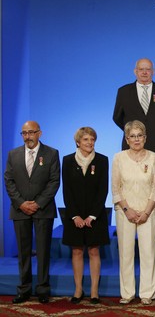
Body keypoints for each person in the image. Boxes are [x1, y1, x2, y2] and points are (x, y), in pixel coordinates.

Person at [112, 58, 155, 235]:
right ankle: (125, 219)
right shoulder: (124, 91)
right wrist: (132, 134)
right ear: (135, 71)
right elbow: (117, 117)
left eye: (148, 69)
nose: (145, 72)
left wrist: (153, 132)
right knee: (126, 181)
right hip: (130, 145)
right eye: (141, 69)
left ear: (153, 71)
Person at [4, 121, 60, 304]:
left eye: (31, 132)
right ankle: (24, 289)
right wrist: (21, 203)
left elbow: (54, 182)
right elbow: (9, 181)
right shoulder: (13, 155)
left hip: (43, 210)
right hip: (20, 210)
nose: (27, 136)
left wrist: (37, 203)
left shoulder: (51, 153)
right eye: (24, 133)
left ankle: (43, 289)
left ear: (39, 133)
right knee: (23, 251)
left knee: (43, 251)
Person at [111, 121, 155, 305]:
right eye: (132, 136)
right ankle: (127, 293)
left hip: (148, 211)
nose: (136, 139)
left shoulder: (154, 157)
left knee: (148, 253)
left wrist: (146, 212)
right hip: (125, 212)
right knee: (126, 253)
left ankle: (147, 293)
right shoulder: (118, 158)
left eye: (139, 135)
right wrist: (127, 210)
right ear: (126, 139)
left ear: (145, 137)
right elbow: (116, 188)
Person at [62, 127, 110, 304]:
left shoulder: (102, 160)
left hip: (95, 216)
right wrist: (75, 216)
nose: (90, 143)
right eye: (86, 140)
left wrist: (92, 216)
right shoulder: (67, 161)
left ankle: (95, 291)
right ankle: (78, 289)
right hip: (74, 216)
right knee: (76, 251)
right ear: (78, 142)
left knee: (94, 250)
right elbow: (67, 191)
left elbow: (102, 190)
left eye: (92, 139)